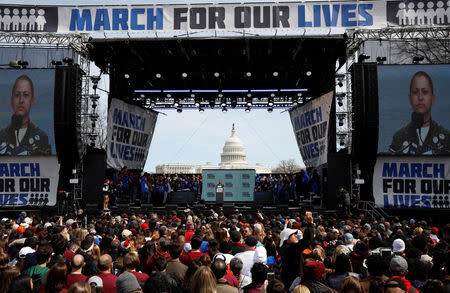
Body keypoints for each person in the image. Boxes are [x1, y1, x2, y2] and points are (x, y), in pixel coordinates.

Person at [389, 71, 450, 154]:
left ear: (433, 99)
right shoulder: (399, 137)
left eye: (425, 92)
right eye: (415, 92)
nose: (420, 97)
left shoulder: (446, 137)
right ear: (410, 98)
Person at [0, 75, 51, 155]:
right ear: (11, 100)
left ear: (32, 101)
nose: (21, 100)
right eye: (17, 95)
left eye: (26, 95)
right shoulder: (2, 136)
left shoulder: (41, 137)